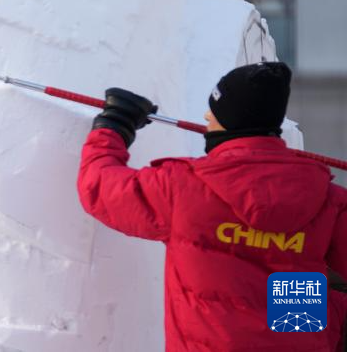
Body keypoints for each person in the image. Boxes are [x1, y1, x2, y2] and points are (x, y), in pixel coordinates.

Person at [78, 61, 347, 351]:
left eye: (215, 110)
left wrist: (114, 125)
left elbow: (100, 188)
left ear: (232, 119)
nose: (207, 116)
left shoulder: (183, 186)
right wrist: (330, 310)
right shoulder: (325, 198)